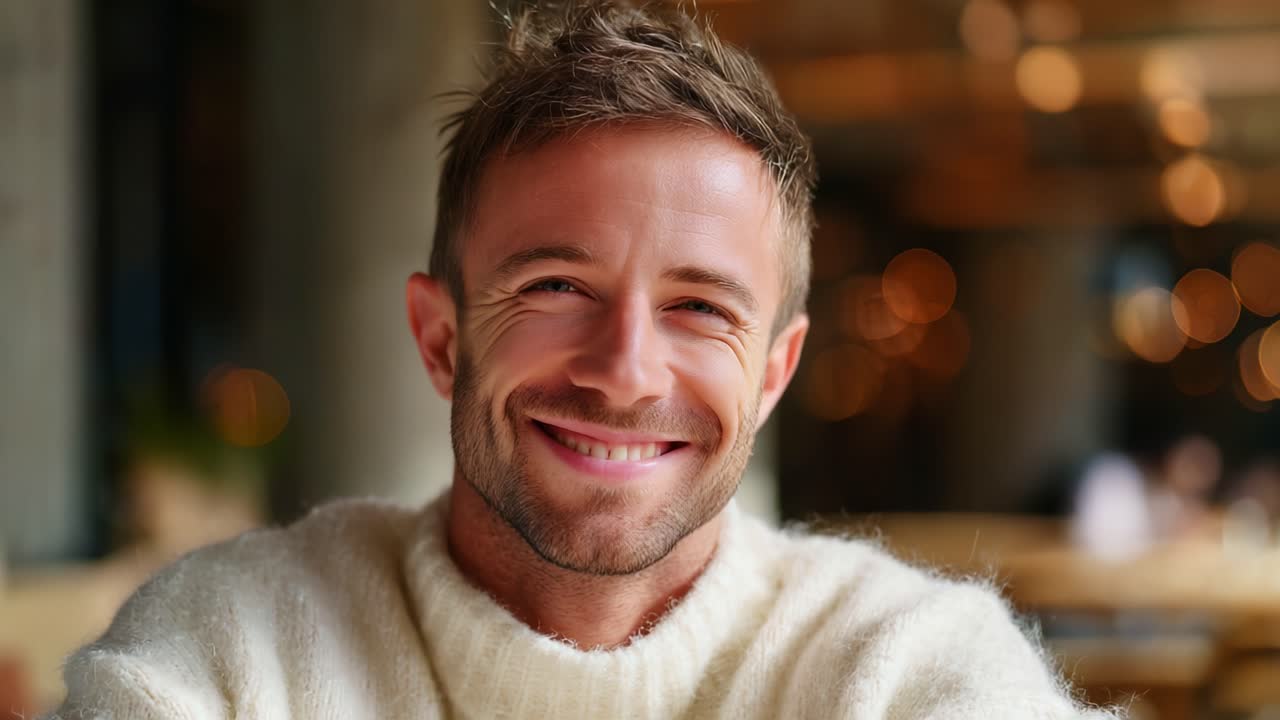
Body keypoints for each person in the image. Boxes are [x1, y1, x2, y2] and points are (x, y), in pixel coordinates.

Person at [50, 2, 1118, 718]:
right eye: (556, 287)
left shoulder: (901, 673)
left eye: (699, 307)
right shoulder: (233, 659)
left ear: (773, 374)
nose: (624, 372)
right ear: (441, 337)